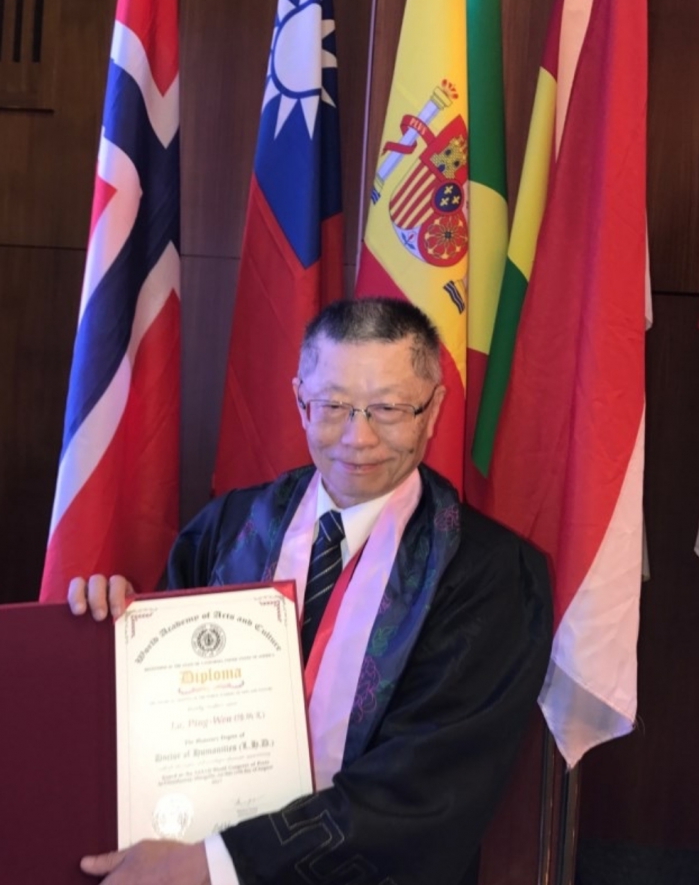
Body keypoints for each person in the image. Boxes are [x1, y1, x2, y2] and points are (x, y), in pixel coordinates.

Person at [70, 297, 553, 885]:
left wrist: (220, 862)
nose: (357, 438)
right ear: (300, 400)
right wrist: (109, 628)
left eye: (389, 408)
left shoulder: (489, 576)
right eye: (332, 406)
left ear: (432, 410)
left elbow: (426, 789)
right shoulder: (229, 529)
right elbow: (158, 715)